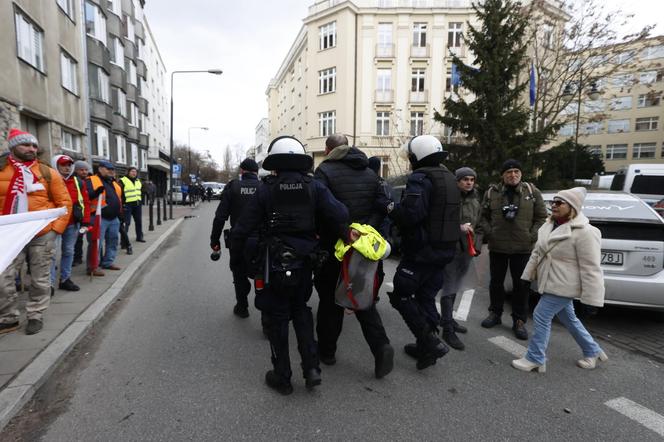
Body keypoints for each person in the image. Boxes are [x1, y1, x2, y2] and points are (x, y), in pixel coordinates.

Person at [232, 136, 349, 395]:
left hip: (275, 263)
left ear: (276, 162)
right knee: (301, 310)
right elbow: (340, 214)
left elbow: (243, 227)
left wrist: (239, 255)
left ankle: (283, 376)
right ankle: (312, 369)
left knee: (278, 317)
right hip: (306, 263)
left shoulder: (267, 188)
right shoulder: (314, 185)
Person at [313, 134, 394, 379]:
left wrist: (345, 234)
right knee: (361, 298)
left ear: (328, 150)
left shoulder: (324, 172)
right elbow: (381, 207)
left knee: (330, 300)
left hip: (334, 247)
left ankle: (326, 352)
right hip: (364, 248)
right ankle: (381, 347)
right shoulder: (370, 173)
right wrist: (364, 233)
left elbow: (321, 210)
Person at [512, 187, 607, 372]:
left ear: (572, 206)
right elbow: (537, 253)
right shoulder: (548, 225)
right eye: (552, 202)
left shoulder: (586, 232)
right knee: (569, 319)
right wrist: (527, 276)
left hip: (565, 285)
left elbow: (591, 268)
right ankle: (592, 350)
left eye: (559, 202)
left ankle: (535, 358)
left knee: (540, 315)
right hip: (549, 282)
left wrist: (591, 299)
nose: (553, 206)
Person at [388, 135, 460, 370]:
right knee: (426, 297)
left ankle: (430, 342)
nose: (409, 161)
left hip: (421, 252)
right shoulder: (449, 176)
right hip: (443, 251)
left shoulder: (421, 178)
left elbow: (411, 214)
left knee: (401, 294)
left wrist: (390, 208)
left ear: (418, 155)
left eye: (410, 157)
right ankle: (424, 347)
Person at [0, 128, 72, 335]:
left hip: (42, 234)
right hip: (9, 234)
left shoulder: (47, 172)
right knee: (3, 277)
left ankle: (35, 314)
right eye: (26, 145)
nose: (31, 149)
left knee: (40, 278)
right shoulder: (1, 169)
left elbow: (64, 202)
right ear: (13, 146)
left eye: (34, 145)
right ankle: (8, 317)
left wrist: (55, 230)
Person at [479, 159, 547, 340]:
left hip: (522, 248)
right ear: (503, 175)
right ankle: (495, 313)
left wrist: (531, 236)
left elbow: (542, 218)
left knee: (521, 286)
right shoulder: (491, 193)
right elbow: (482, 217)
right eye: (509, 172)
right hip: (498, 246)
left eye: (516, 171)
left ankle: (519, 321)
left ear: (521, 174)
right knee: (496, 283)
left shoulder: (532, 192)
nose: (513, 175)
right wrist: (490, 233)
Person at [437, 167, 483, 351]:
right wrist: (458, 228)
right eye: (465, 179)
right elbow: (441, 221)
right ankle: (447, 328)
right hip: (450, 249)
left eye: (472, 179)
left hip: (466, 250)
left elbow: (479, 223)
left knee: (456, 286)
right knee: (448, 287)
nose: (469, 182)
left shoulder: (475, 198)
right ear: (457, 181)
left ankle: (448, 319)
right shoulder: (449, 198)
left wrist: (476, 245)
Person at [210, 158, 260, 318]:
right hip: (262, 239)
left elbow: (220, 217)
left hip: (238, 239)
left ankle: (242, 306)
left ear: (241, 171)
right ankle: (267, 320)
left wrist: (214, 240)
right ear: (256, 172)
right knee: (264, 273)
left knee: (239, 273)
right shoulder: (265, 186)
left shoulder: (233, 187)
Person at [50, 154, 90, 292]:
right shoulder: (49, 180)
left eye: (69, 165)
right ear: (56, 165)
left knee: (68, 251)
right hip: (53, 224)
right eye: (63, 165)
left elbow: (84, 201)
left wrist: (85, 221)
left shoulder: (78, 182)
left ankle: (65, 279)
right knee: (51, 254)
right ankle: (49, 283)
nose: (67, 168)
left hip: (72, 223)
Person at [87, 161, 123, 274]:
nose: (111, 171)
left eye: (112, 169)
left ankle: (108, 262)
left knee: (113, 241)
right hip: (98, 217)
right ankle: (93, 267)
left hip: (113, 218)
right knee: (96, 243)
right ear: (100, 169)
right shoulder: (91, 180)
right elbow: (86, 196)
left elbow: (119, 199)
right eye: (108, 169)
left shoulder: (113, 183)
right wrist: (94, 193)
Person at [119, 167, 145, 256]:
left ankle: (139, 237)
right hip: (127, 205)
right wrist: (122, 204)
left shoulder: (138, 181)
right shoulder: (122, 180)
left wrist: (141, 201)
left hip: (137, 204)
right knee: (126, 223)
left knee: (139, 221)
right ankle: (124, 242)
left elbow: (140, 191)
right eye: (132, 171)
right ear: (128, 172)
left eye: (135, 172)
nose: (134, 173)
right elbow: (120, 193)